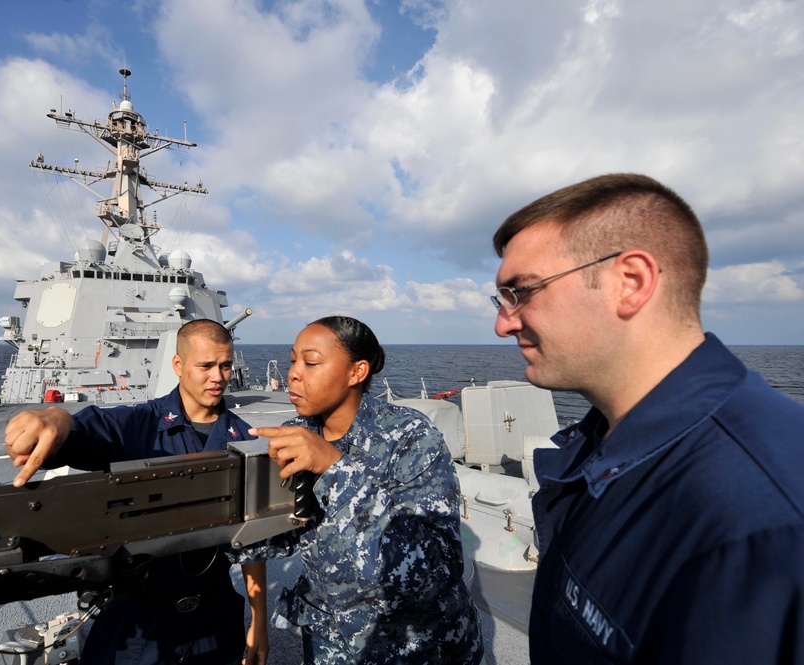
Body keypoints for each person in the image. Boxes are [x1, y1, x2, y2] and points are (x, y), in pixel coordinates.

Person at [491, 173, 804, 664]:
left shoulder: (767, 518)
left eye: (523, 291)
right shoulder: (602, 446)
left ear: (631, 282)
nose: (503, 323)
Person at [4, 319, 268, 665]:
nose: (218, 377)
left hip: (215, 616)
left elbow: (253, 541)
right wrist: (57, 417)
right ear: (178, 365)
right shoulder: (141, 425)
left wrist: (259, 619)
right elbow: (91, 428)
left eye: (225, 365)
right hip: (139, 623)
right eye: (206, 366)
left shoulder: (245, 437)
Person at [233, 315, 482, 664]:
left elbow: (436, 569)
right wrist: (221, 527)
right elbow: (287, 533)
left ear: (357, 372)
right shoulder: (297, 432)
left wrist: (334, 468)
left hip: (416, 645)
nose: (293, 373)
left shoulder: (411, 436)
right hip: (330, 642)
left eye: (311, 362)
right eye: (292, 360)